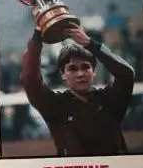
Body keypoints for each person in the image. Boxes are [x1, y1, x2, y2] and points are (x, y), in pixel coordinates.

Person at [20, 25, 136, 155]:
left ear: (94, 72)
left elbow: (127, 74)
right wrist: (38, 35)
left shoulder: (110, 99)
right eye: (73, 69)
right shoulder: (54, 105)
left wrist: (90, 43)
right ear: (63, 74)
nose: (80, 74)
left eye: (85, 67)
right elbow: (29, 79)